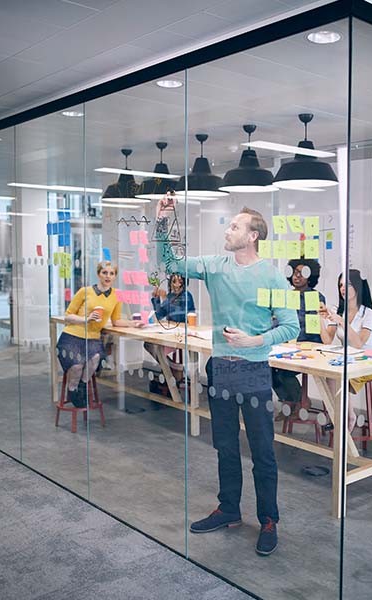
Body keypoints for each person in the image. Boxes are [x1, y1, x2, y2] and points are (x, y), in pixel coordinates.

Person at [156, 193, 299, 556]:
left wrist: (255, 339)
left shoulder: (271, 275)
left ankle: (269, 519)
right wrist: (161, 222)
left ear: (253, 235)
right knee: (224, 447)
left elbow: (290, 326)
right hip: (220, 369)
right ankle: (229, 509)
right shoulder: (214, 265)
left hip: (254, 371)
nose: (228, 229)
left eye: (235, 225)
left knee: (263, 452)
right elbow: (170, 261)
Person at [56, 261, 142, 407]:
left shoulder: (116, 295)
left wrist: (133, 323)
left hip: (93, 338)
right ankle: (72, 389)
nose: (108, 276)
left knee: (95, 359)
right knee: (76, 367)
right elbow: (68, 315)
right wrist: (86, 319)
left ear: (115, 276)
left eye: (111, 273)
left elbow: (116, 321)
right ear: (98, 274)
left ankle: (82, 387)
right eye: (104, 273)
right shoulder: (85, 291)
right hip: (72, 335)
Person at [319, 269, 372, 432]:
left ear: (358, 286)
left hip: (369, 360)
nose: (343, 289)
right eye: (340, 285)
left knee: (335, 376)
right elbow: (327, 340)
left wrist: (341, 321)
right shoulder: (338, 311)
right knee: (329, 374)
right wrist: (318, 318)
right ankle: (344, 415)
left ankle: (345, 416)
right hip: (348, 359)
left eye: (348, 284)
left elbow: (359, 343)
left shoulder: (369, 313)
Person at [271, 258, 326, 406]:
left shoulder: (315, 297)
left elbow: (309, 325)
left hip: (308, 345)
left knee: (284, 373)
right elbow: (277, 320)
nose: (297, 276)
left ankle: (299, 404)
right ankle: (290, 402)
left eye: (302, 273)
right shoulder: (286, 295)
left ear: (310, 277)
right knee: (266, 369)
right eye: (295, 273)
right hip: (287, 345)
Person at [144, 273, 195, 387]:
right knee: (148, 344)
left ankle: (173, 370)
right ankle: (173, 368)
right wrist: (156, 299)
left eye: (180, 282)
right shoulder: (170, 296)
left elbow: (179, 317)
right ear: (170, 283)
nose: (177, 285)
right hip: (170, 332)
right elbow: (159, 314)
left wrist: (165, 298)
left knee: (156, 346)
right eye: (174, 281)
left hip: (182, 333)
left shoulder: (187, 296)